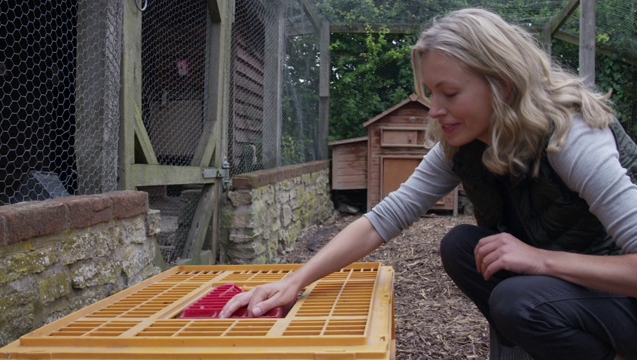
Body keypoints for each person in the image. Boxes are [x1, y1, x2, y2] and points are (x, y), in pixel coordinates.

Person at [220, 8, 637, 360]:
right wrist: (294, 281)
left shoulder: (571, 134)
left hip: (623, 297)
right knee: (461, 247)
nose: (434, 109)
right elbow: (386, 217)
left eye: (449, 93)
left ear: (503, 86)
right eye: (431, 92)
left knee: (518, 301)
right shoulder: (465, 141)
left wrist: (540, 260)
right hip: (574, 291)